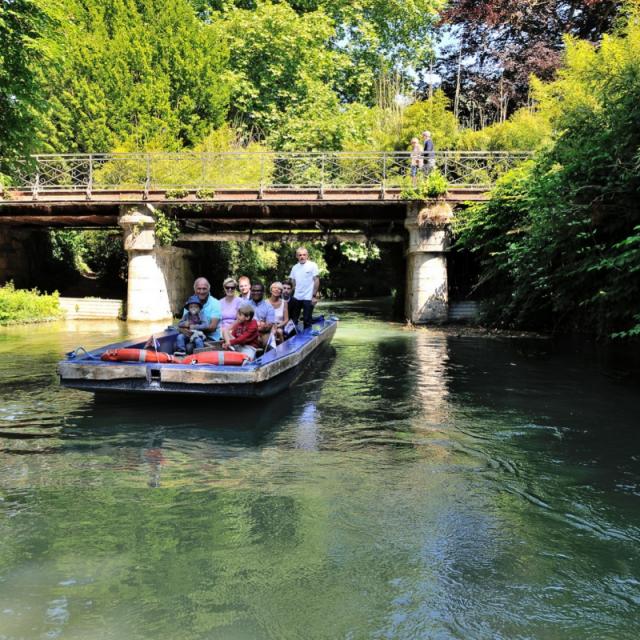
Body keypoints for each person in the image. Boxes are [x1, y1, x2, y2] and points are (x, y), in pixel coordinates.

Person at [177, 277, 222, 345]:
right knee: (178, 342)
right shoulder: (189, 303)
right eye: (199, 289)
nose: (201, 291)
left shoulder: (215, 303)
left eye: (204, 289)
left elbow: (212, 327)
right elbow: (183, 323)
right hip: (191, 334)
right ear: (194, 289)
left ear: (208, 289)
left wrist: (194, 327)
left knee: (191, 346)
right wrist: (185, 326)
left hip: (211, 337)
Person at [288, 246, 320, 330]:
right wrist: (288, 296)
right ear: (297, 256)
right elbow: (292, 283)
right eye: (300, 255)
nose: (302, 256)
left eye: (304, 255)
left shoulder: (312, 265)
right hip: (296, 297)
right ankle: (292, 337)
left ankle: (308, 339)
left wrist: (314, 296)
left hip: (308, 297)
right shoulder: (295, 267)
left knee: (306, 319)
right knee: (293, 319)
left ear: (307, 255)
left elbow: (316, 280)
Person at [249, 281, 275, 347]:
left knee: (267, 341)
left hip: (263, 333)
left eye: (258, 291)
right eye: (253, 290)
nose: (255, 293)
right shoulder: (245, 305)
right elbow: (241, 322)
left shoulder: (269, 307)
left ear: (263, 292)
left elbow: (268, 326)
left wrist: (254, 328)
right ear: (251, 291)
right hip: (247, 332)